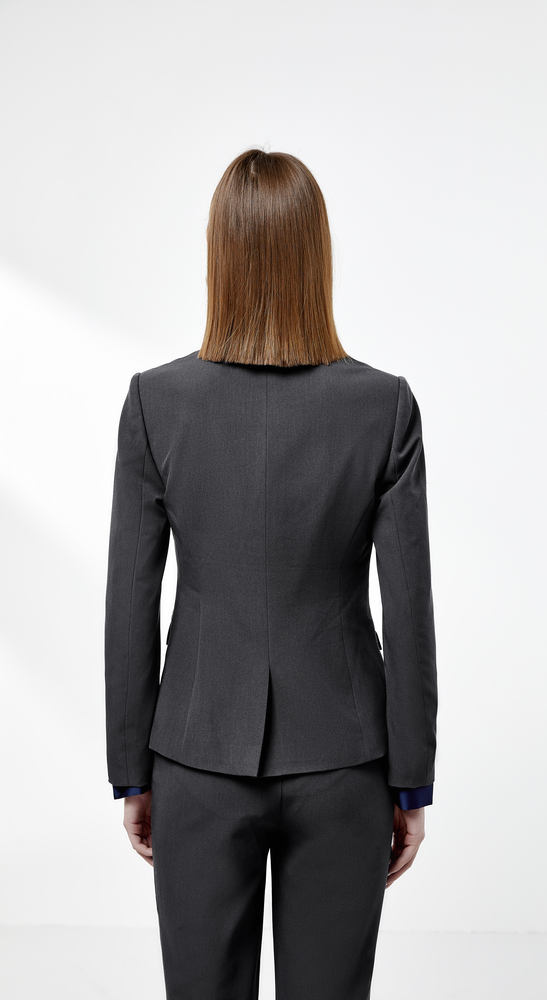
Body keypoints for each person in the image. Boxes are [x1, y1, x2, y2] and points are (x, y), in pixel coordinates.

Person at [104, 148, 438, 999]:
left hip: (195, 757)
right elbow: (409, 609)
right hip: (346, 761)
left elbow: (131, 600)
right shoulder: (384, 407)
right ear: (316, 257)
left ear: (219, 256)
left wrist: (133, 772)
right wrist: (411, 780)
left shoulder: (156, 403)